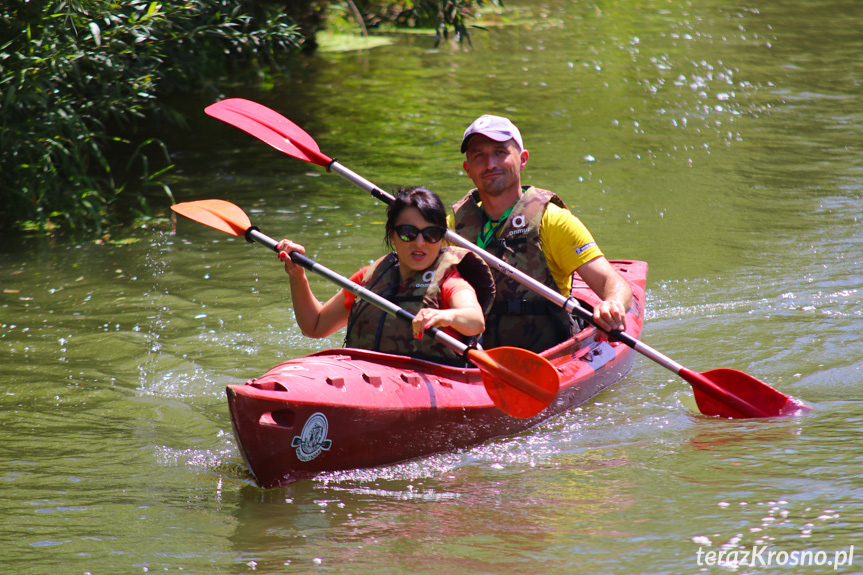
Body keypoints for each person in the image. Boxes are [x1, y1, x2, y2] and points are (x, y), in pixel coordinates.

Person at [450, 114, 633, 352]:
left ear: (523, 159)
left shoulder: (553, 220)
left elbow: (613, 282)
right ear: (467, 169)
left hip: (547, 355)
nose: (490, 164)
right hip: (476, 356)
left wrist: (612, 304)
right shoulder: (452, 227)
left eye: (500, 152)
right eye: (478, 156)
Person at [276, 186, 495, 366]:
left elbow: (475, 321)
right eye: (408, 233)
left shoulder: (450, 281)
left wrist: (443, 316)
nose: (420, 243)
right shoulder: (370, 279)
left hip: (431, 381)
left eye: (431, 234)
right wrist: (297, 275)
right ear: (392, 234)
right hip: (368, 379)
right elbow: (315, 326)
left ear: (441, 238)